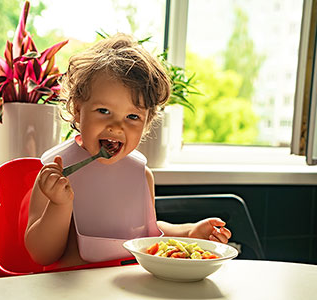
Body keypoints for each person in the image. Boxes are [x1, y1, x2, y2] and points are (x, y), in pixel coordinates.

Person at [24, 33, 231, 268]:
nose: (117, 126)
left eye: (132, 116)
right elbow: (41, 255)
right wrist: (59, 205)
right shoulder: (56, 173)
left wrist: (189, 232)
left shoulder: (141, 175)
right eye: (103, 111)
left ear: (146, 124)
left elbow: (144, 235)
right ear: (79, 110)